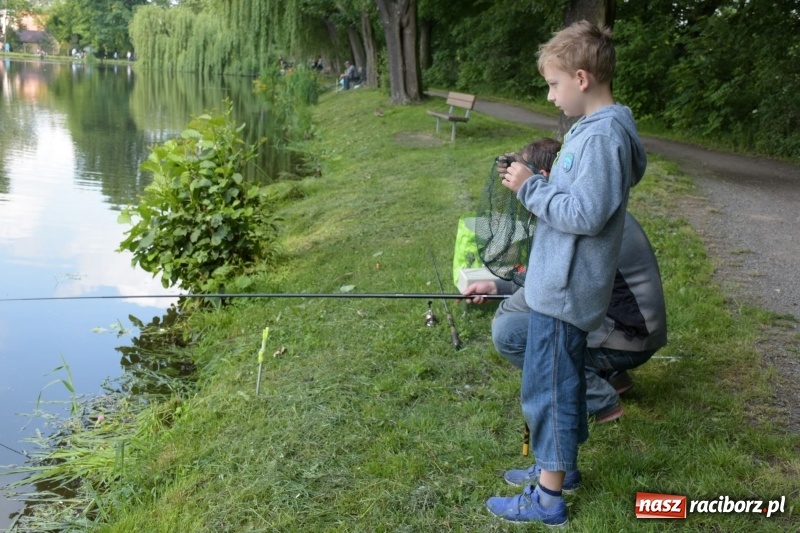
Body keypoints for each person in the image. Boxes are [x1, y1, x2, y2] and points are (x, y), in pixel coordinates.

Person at [483, 20, 647, 526]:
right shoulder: (597, 132)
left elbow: (586, 214)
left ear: (581, 78)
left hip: (565, 290)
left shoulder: (601, 137)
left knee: (548, 390)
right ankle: (561, 470)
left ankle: (548, 498)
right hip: (564, 287)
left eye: (553, 85)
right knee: (559, 382)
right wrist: (552, 182)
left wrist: (532, 188)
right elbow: (581, 198)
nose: (551, 96)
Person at [464, 211, 667, 422]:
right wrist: (496, 287)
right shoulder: (588, 203)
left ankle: (599, 400)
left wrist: (502, 313)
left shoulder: (573, 218)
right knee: (539, 321)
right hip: (634, 332)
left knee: (508, 332)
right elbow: (544, 277)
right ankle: (610, 376)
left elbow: (545, 290)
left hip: (626, 340)